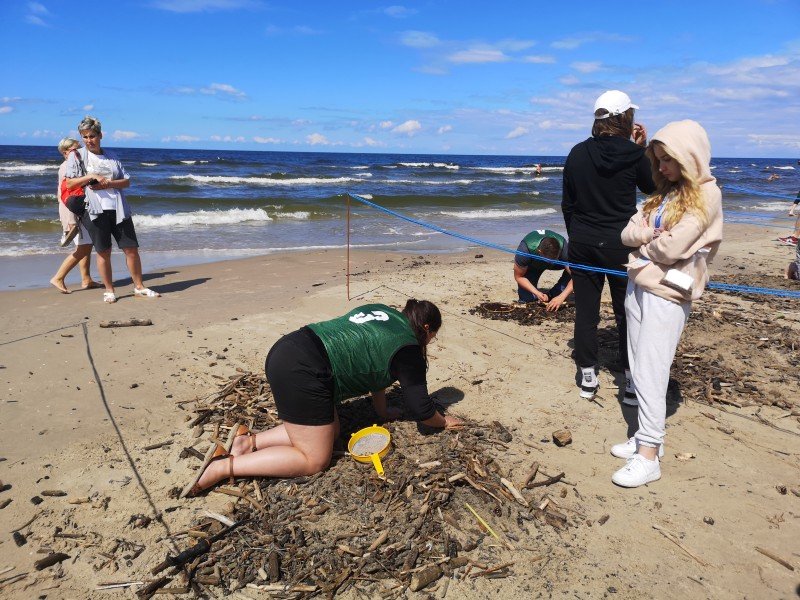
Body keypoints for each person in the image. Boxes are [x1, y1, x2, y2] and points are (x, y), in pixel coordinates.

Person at [183, 300, 463, 496]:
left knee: (333, 430)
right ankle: (223, 468)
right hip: (305, 370)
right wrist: (443, 421)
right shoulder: (409, 349)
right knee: (315, 459)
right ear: (426, 329)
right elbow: (421, 408)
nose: (429, 343)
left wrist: (382, 409)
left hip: (291, 345)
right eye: (433, 337)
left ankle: (248, 442)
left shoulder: (382, 313)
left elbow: (374, 361)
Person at [611, 120, 723, 487]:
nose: (660, 168)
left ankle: (649, 454)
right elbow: (626, 232)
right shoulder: (663, 195)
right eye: (657, 160)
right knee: (637, 365)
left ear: (688, 157)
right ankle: (644, 435)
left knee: (651, 368)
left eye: (667, 160)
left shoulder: (707, 195)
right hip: (639, 285)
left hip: (668, 293)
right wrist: (647, 237)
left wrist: (644, 247)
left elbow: (673, 247)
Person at [562, 90, 655, 402]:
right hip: (621, 243)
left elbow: (568, 205)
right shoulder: (635, 154)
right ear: (625, 117)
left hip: (584, 241)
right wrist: (641, 150)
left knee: (586, 312)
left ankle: (588, 378)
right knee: (627, 312)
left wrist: (576, 237)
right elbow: (653, 187)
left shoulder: (576, 153)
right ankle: (630, 382)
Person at [64, 116, 160, 303]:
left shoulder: (112, 156)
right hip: (94, 211)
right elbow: (69, 183)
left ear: (100, 135)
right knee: (104, 251)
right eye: (85, 137)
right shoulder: (76, 156)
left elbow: (126, 181)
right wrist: (91, 176)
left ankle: (139, 287)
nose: (88, 140)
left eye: (92, 136)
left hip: (119, 208)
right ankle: (109, 290)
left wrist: (108, 183)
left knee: (131, 249)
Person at [49, 138, 99, 293]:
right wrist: (71, 221)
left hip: (78, 211)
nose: (79, 151)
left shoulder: (74, 166)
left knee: (86, 246)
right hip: (73, 213)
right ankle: (58, 277)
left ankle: (86, 279)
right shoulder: (66, 167)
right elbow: (66, 196)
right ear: (66, 153)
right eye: (75, 149)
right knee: (84, 247)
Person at [513, 229, 573, 311]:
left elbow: (577, 276)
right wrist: (537, 293)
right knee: (527, 299)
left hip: (558, 263)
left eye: (554, 259)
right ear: (539, 251)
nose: (550, 263)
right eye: (549, 261)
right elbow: (519, 277)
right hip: (534, 264)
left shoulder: (563, 248)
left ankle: (554, 293)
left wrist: (561, 297)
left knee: (575, 271)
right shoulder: (525, 250)